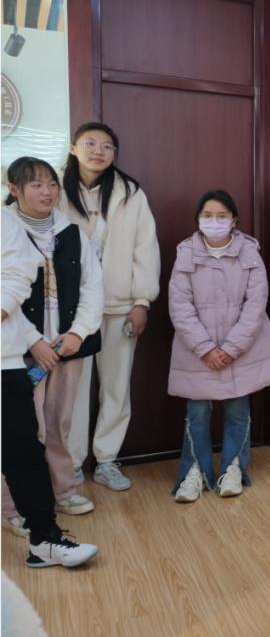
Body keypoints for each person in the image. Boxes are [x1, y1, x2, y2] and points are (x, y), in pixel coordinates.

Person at [1, 160, 103, 564]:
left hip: (66, 344)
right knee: (24, 433)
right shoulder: (9, 225)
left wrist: (76, 334)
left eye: (51, 184)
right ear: (14, 189)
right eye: (36, 185)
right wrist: (36, 341)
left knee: (59, 422)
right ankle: (13, 507)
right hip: (22, 349)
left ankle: (62, 490)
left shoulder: (71, 232)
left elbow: (93, 286)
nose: (46, 192)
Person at [168, 190, 270, 502]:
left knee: (238, 409)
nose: (214, 221)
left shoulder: (249, 253)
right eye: (207, 216)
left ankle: (234, 468)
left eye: (222, 216)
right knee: (196, 412)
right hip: (197, 351)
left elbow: (256, 305)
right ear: (198, 220)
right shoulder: (186, 253)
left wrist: (231, 347)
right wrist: (205, 348)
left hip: (240, 350)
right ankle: (194, 471)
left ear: (234, 221)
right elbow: (179, 305)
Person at [60, 121, 160, 492]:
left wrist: (142, 301)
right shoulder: (56, 189)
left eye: (106, 146)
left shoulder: (130, 193)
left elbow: (145, 249)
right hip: (72, 311)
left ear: (115, 153)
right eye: (90, 143)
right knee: (71, 390)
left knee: (116, 387)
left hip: (120, 306)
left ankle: (106, 460)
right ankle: (70, 463)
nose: (98, 151)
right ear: (74, 148)